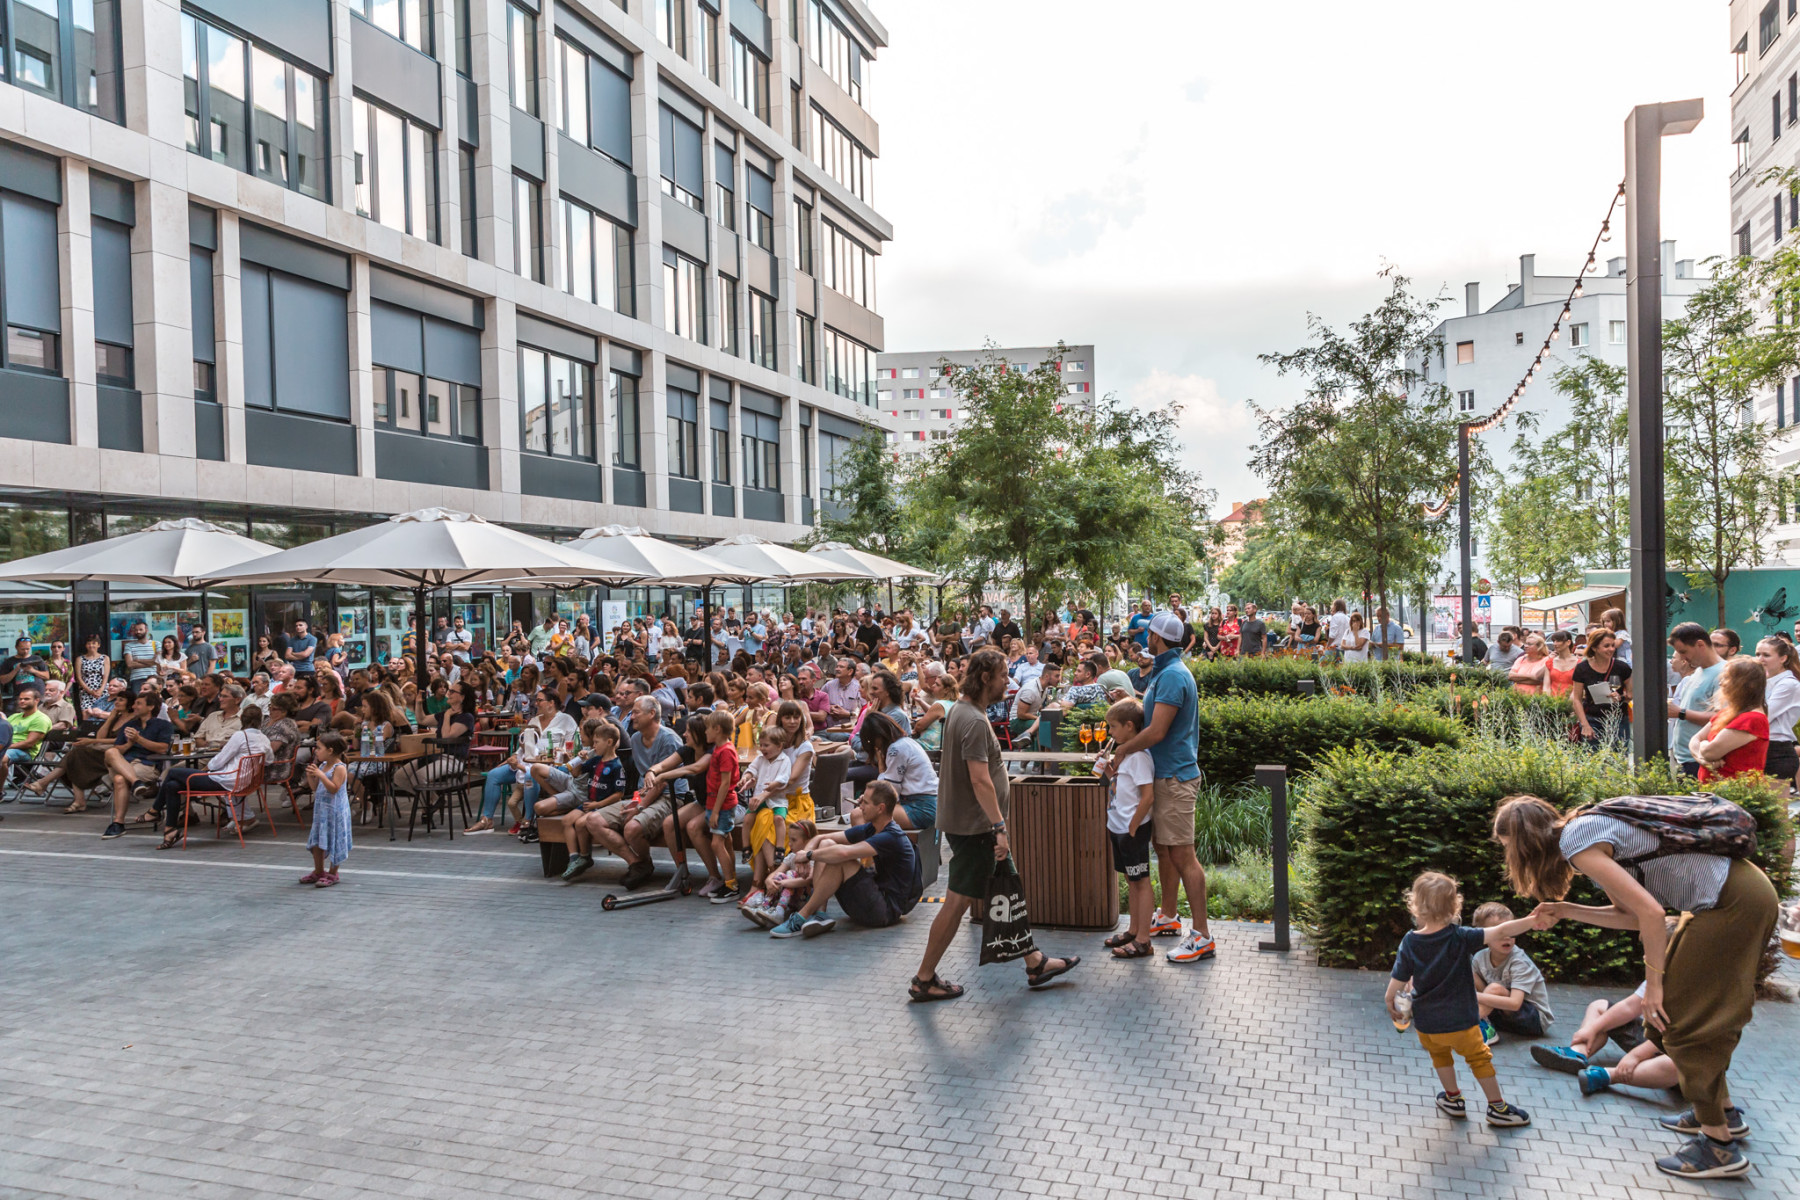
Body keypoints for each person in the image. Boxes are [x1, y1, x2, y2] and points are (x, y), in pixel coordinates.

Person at [1499, 794, 1778, 1178]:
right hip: (1729, 898)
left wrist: (1655, 987)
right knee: (1679, 1023)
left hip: (1730, 903)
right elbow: (1631, 916)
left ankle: (1719, 1149)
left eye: (1506, 849)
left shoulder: (1577, 843)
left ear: (1521, 843)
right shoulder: (1585, 832)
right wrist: (1564, 911)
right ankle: (1722, 1116)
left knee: (1680, 1024)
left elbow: (1651, 913)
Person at [905, 647, 1078, 1002]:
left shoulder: (964, 712)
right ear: (986, 678)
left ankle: (1035, 962)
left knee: (1008, 894)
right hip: (977, 829)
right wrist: (999, 827)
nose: (1007, 683)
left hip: (975, 826)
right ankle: (924, 978)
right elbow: (980, 779)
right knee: (956, 903)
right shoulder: (970, 719)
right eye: (1002, 676)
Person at [1384, 872, 1534, 1128]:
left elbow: (1397, 981)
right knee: (1479, 1058)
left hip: (1427, 1024)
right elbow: (1502, 931)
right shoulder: (1461, 936)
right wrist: (1533, 919)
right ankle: (1497, 1108)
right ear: (1455, 906)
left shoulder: (1410, 942)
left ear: (1415, 906)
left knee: (1440, 1057)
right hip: (1462, 1021)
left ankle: (1453, 1099)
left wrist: (1390, 1001)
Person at [1106, 612, 1214, 962]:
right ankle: (1167, 916)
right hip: (1166, 774)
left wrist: (1122, 750)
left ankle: (1202, 935)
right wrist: (1132, 700)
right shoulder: (1165, 672)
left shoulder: (1170, 676)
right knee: (1165, 850)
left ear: (1156, 637)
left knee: (1182, 854)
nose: (1143, 636)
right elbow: (1153, 717)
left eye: (1148, 632)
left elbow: (1156, 731)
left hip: (1175, 776)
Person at [768, 781, 920, 937]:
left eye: (865, 803)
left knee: (840, 859)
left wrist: (809, 855)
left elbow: (845, 854)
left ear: (880, 808)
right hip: (869, 901)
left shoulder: (891, 836)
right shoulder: (872, 828)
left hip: (884, 911)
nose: (860, 807)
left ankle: (802, 916)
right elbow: (823, 838)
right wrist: (805, 855)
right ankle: (820, 915)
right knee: (827, 844)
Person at [152, 703, 271, 848]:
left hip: (226, 780)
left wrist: (206, 771)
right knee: (172, 785)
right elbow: (269, 760)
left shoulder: (240, 735)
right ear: (260, 721)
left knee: (172, 772)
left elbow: (218, 761)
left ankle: (154, 810)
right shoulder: (264, 738)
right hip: (245, 781)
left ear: (242, 720)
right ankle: (170, 831)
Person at [1096, 698, 1156, 960]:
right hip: (1117, 828)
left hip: (1132, 830)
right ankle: (1133, 930)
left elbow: (1148, 796)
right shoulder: (1124, 756)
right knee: (1131, 881)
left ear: (1130, 726)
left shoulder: (1140, 757)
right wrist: (1108, 770)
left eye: (1113, 727)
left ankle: (1144, 940)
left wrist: (1133, 825)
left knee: (1141, 882)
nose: (1110, 732)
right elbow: (1121, 787)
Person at [1470, 902, 1553, 1042]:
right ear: (1483, 936)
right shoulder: (1480, 958)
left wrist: (1471, 996)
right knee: (1467, 972)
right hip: (1502, 1015)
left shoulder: (1520, 962)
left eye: (1511, 930)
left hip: (1533, 1020)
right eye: (1500, 931)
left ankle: (1465, 1026)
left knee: (1495, 989)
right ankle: (1483, 1026)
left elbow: (1515, 1003)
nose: (1507, 936)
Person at [557, 723, 629, 881]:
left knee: (581, 823)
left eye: (596, 742)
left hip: (603, 806)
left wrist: (597, 805)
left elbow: (619, 794)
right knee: (567, 820)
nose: (593, 745)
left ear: (609, 742)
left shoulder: (616, 766)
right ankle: (574, 858)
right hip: (590, 802)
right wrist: (574, 759)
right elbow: (576, 773)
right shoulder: (595, 760)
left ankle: (585, 856)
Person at [99, 690, 175, 839]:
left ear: (151, 706)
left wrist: (139, 739)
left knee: (120, 780)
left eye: (138, 703)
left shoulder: (163, 725)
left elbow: (163, 748)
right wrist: (129, 743)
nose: (134, 706)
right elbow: (118, 748)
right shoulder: (129, 724)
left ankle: (118, 823)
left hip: (146, 764)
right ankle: (135, 782)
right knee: (110, 752)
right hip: (124, 762)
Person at [1687, 658, 1768, 784]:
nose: (1721, 683)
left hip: (1737, 796)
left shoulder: (1753, 719)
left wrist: (1703, 745)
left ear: (1747, 684)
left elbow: (1710, 752)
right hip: (1716, 793)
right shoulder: (1726, 712)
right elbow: (1694, 740)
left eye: (1727, 678)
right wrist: (1703, 760)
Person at [1667, 623, 1724, 778]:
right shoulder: (1699, 671)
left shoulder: (1723, 673)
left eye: (1684, 652)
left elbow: (1723, 719)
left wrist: (1680, 713)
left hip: (1700, 760)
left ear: (1700, 644)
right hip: (1685, 758)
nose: (1683, 658)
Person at [300, 731, 352, 887]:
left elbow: (334, 788)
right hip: (322, 811)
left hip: (335, 812)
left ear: (330, 751)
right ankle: (318, 870)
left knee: (335, 840)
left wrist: (321, 775)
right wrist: (311, 776)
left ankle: (333, 873)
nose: (316, 751)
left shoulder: (339, 768)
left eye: (319, 748)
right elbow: (316, 787)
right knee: (318, 841)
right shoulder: (323, 765)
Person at [1570, 627, 1632, 749]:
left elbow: (1631, 695)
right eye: (1606, 646)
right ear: (1594, 647)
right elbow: (1576, 698)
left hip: (1618, 719)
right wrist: (1585, 725)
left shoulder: (1622, 667)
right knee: (1593, 760)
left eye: (1613, 645)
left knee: (1618, 759)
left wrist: (1620, 697)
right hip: (1592, 719)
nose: (1611, 649)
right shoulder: (1582, 668)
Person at [1755, 636, 1800, 790]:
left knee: (1776, 812)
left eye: (1766, 655)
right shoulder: (1762, 680)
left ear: (1783, 658)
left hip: (1777, 750)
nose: (1760, 659)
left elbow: (1763, 717)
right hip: (1759, 747)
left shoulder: (1788, 684)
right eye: (1757, 654)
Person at [5, 686, 52, 773]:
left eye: (26, 699)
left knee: (2, 757)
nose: (22, 701)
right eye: (20, 699)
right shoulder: (14, 716)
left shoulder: (40, 719)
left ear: (36, 700)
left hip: (25, 752)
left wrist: (5, 747)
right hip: (7, 747)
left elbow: (29, 743)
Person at [1544, 630, 1580, 698]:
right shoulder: (1549, 662)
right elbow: (1546, 687)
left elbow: (1578, 689)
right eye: (1554, 641)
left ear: (1568, 642)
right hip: (1552, 703)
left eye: (1558, 641)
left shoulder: (1579, 663)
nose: (1555, 644)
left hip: (1572, 702)